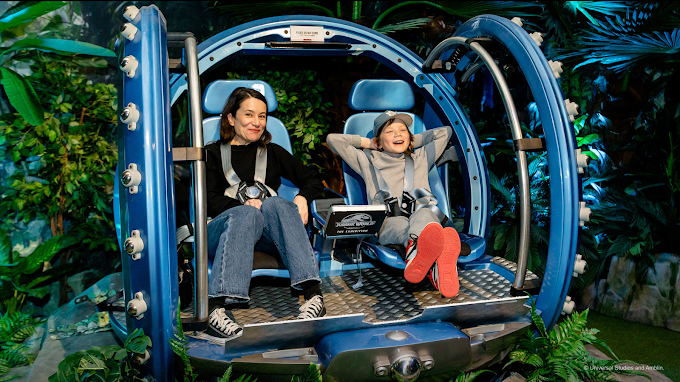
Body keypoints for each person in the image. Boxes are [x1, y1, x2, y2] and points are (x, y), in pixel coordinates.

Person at [205, 87, 325, 338]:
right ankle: (216, 308)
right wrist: (242, 208)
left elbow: (312, 178)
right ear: (231, 118)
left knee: (278, 204)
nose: (257, 122)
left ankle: (314, 296)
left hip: (266, 238)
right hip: (222, 232)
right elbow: (208, 199)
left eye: (262, 116)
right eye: (249, 115)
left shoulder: (273, 152)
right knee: (246, 214)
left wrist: (302, 198)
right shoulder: (211, 154)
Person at [327, 111, 461, 297]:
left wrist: (414, 140)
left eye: (403, 130)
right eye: (390, 131)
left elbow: (445, 132)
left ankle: (421, 254)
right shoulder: (367, 160)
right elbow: (334, 140)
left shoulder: (421, 158)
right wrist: (369, 143)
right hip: (389, 222)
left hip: (423, 217)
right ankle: (428, 257)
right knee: (398, 223)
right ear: (379, 142)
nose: (398, 134)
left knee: (426, 215)